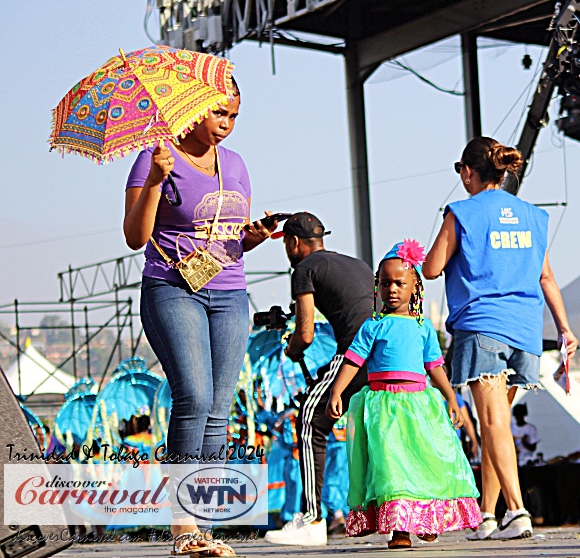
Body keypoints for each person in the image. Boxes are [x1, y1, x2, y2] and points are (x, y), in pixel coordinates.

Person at [124, 80, 276, 557]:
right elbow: (134, 235)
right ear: (192, 110)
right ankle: (181, 524)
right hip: (172, 289)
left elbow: (229, 238)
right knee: (194, 394)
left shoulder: (235, 164)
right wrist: (153, 180)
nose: (226, 126)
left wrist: (252, 238)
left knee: (219, 406)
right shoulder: (157, 157)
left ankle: (204, 524)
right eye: (219, 115)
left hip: (229, 292)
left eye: (234, 116)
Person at [423, 136, 579, 541]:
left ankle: (517, 510)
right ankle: (487, 516)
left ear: (468, 172)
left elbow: (432, 268)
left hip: (483, 325)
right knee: (498, 425)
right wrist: (564, 329)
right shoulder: (532, 215)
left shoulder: (461, 212)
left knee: (490, 422)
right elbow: (546, 276)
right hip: (527, 330)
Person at [325, 241, 482, 549]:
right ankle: (400, 531)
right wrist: (337, 391)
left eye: (399, 283)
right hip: (383, 408)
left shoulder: (424, 329)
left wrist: (451, 397)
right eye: (385, 283)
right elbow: (353, 359)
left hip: (420, 405)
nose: (392, 289)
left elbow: (435, 366)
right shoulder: (373, 326)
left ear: (415, 287)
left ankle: (425, 518)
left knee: (426, 462)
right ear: (377, 287)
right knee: (391, 466)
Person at [263, 212, 374, 546]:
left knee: (311, 419)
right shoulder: (356, 263)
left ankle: (312, 520)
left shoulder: (304, 270)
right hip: (382, 355)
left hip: (354, 354)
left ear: (294, 242)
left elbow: (306, 333)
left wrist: (291, 349)